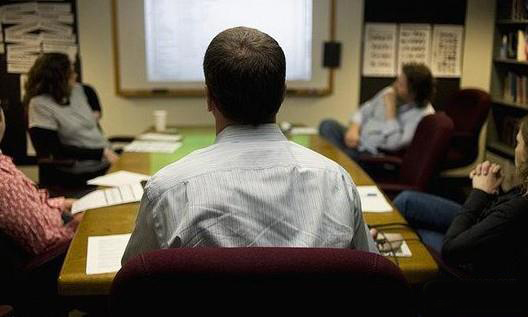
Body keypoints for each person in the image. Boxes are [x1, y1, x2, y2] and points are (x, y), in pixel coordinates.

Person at [122, 27, 378, 263]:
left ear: (209, 98)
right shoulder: (336, 182)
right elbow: (371, 270)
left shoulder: (167, 190)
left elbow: (135, 281)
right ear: (282, 94)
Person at [393, 116, 528, 277]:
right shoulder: (522, 192)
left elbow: (451, 249)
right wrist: (491, 187)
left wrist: (480, 192)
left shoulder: (517, 209)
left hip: (473, 265)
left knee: (412, 231)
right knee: (407, 201)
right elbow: (501, 217)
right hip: (483, 227)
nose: (516, 148)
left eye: (518, 142)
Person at [0, 103, 82, 256]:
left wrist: (60, 204)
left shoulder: (3, 163)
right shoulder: (4, 183)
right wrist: (77, 225)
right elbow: (45, 244)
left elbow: (30, 205)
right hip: (55, 257)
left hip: (57, 224)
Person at [319, 63, 435, 162]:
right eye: (397, 80)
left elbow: (394, 145)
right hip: (358, 140)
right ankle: (340, 162)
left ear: (413, 93)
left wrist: (391, 111)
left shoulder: (423, 116)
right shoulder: (389, 92)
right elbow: (364, 110)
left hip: (372, 155)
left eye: (400, 85)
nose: (394, 86)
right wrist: (354, 129)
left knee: (340, 157)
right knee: (327, 125)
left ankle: (340, 164)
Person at [24, 53, 118, 170]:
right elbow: (56, 151)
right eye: (71, 73)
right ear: (58, 78)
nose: (75, 75)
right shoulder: (39, 104)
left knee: (144, 173)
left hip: (107, 158)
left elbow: (96, 114)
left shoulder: (81, 90)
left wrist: (106, 152)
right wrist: (101, 153)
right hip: (81, 167)